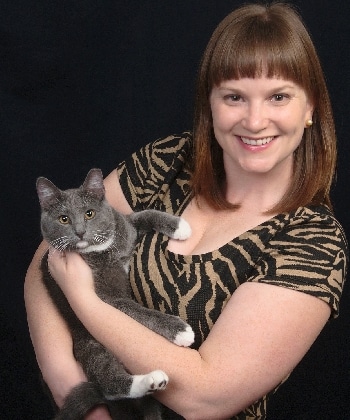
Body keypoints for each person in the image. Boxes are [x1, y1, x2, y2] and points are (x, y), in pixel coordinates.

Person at [24, 2, 348, 419]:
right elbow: (43, 260)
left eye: (278, 97)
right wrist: (80, 402)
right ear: (210, 103)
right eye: (234, 96)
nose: (254, 120)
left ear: (310, 108)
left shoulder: (314, 241)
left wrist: (83, 298)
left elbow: (206, 396)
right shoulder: (168, 160)